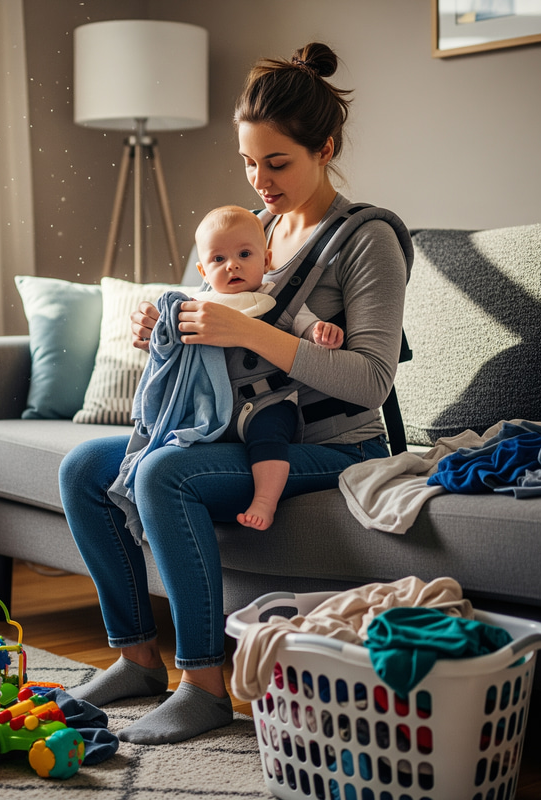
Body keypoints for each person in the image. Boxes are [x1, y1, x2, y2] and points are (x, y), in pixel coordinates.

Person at [59, 41, 412, 746]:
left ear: (325, 149)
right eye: (249, 163)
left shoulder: (366, 239)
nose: (260, 181)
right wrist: (167, 324)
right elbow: (213, 316)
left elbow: (373, 378)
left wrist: (247, 334)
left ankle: (204, 685)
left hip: (334, 446)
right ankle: (136, 659)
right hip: (238, 431)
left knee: (163, 473)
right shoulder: (258, 230)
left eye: (276, 163)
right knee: (84, 470)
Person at [192, 204, 344, 530]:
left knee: (269, 438)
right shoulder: (201, 305)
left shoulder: (277, 297)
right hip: (219, 407)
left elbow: (306, 325)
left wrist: (320, 332)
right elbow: (173, 342)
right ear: (203, 272)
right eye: (218, 259)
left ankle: (264, 500)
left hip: (270, 399)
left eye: (244, 254)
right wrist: (154, 330)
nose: (232, 265)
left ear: (266, 260)